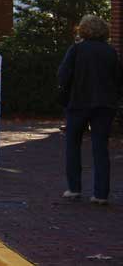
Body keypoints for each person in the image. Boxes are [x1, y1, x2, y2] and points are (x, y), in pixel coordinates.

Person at [57, 15, 123, 205]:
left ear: (83, 30)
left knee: (73, 145)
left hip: (78, 102)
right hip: (105, 105)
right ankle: (101, 193)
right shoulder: (111, 51)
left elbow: (62, 75)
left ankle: (74, 188)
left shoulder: (77, 49)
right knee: (100, 147)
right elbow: (118, 78)